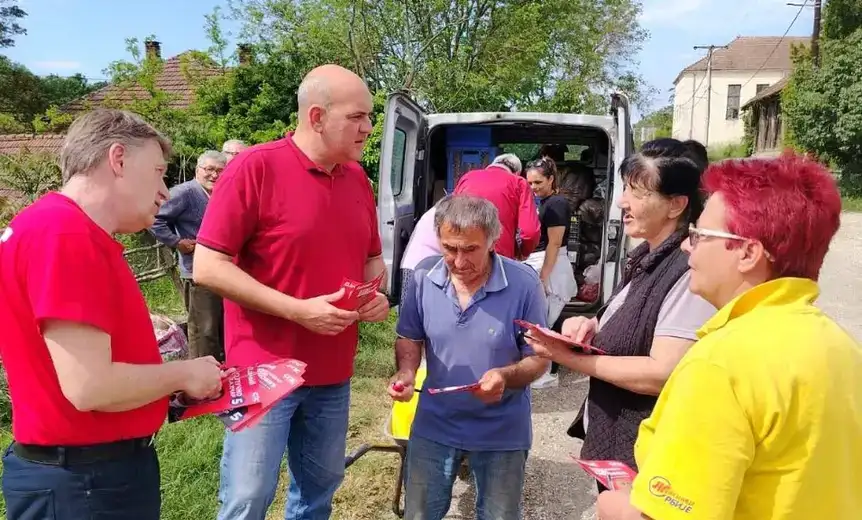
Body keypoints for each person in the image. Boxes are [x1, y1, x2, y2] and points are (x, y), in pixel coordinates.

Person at [596, 153, 862, 520]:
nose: (687, 247)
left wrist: (616, 506)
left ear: (748, 253)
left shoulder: (720, 364)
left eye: (700, 235)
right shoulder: (842, 346)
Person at [0, 109, 223, 520]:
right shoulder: (65, 234)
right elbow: (90, 386)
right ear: (118, 159)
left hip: (83, 474)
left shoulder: (58, 227)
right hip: (85, 483)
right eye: (158, 172)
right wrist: (184, 374)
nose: (164, 192)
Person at [192, 64, 390, 520]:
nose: (368, 128)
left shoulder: (357, 178)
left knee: (318, 491)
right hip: (263, 369)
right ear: (317, 116)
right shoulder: (255, 167)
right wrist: (297, 310)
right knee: (248, 497)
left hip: (332, 371)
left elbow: (370, 259)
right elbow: (207, 266)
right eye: (358, 117)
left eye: (369, 117)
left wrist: (373, 296)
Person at [525, 140, 715, 479]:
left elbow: (662, 373)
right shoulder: (646, 257)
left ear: (676, 205)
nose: (621, 202)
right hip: (619, 445)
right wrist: (589, 323)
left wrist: (569, 358)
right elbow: (627, 316)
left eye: (638, 193)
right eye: (625, 188)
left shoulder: (690, 271)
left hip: (647, 457)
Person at [388, 194, 550, 520]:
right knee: (419, 514)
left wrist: (505, 377)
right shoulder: (422, 277)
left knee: (499, 515)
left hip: (502, 428)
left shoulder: (523, 284)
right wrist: (406, 372)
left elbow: (539, 358)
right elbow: (409, 337)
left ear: (492, 241)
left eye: (470, 249)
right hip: (435, 423)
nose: (459, 261)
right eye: (449, 248)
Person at [151, 150, 228, 361]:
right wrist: (177, 242)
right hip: (196, 270)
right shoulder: (184, 192)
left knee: (221, 325)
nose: (214, 175)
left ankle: (223, 370)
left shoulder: (221, 192)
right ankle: (204, 374)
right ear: (198, 170)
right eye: (209, 169)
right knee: (204, 328)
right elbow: (155, 219)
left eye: (220, 171)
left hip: (223, 269)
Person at [522, 157, 578, 389]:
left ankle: (550, 372)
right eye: (530, 183)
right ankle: (546, 369)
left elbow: (554, 243)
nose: (533, 187)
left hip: (552, 265)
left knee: (546, 323)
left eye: (538, 182)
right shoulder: (546, 201)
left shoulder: (556, 204)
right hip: (548, 262)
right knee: (544, 320)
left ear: (551, 179)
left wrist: (543, 277)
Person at [453, 153, 541, 260]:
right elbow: (530, 232)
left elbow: (450, 217)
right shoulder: (518, 183)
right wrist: (523, 252)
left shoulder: (466, 178)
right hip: (499, 259)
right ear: (516, 172)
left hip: (463, 254)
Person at [399, 204, 441, 303]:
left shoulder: (445, 206)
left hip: (425, 265)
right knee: (410, 311)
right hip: (418, 266)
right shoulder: (449, 210)